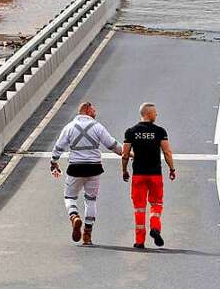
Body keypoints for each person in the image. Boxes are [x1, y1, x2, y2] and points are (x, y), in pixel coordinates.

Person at [50, 101, 122, 246]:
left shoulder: (69, 127)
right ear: (88, 110)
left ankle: (74, 216)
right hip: (94, 168)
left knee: (69, 196)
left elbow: (59, 146)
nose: (95, 113)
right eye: (94, 110)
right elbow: (111, 144)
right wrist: (126, 153)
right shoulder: (97, 127)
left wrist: (53, 161)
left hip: (75, 168)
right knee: (91, 200)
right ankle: (87, 235)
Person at [122, 102, 176, 249]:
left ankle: (139, 241)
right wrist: (172, 168)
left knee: (139, 208)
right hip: (155, 175)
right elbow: (167, 152)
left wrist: (124, 170)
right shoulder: (160, 131)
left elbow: (125, 154)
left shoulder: (131, 131)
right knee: (156, 203)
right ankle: (155, 227)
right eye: (154, 112)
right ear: (147, 113)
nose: (156, 115)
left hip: (138, 175)